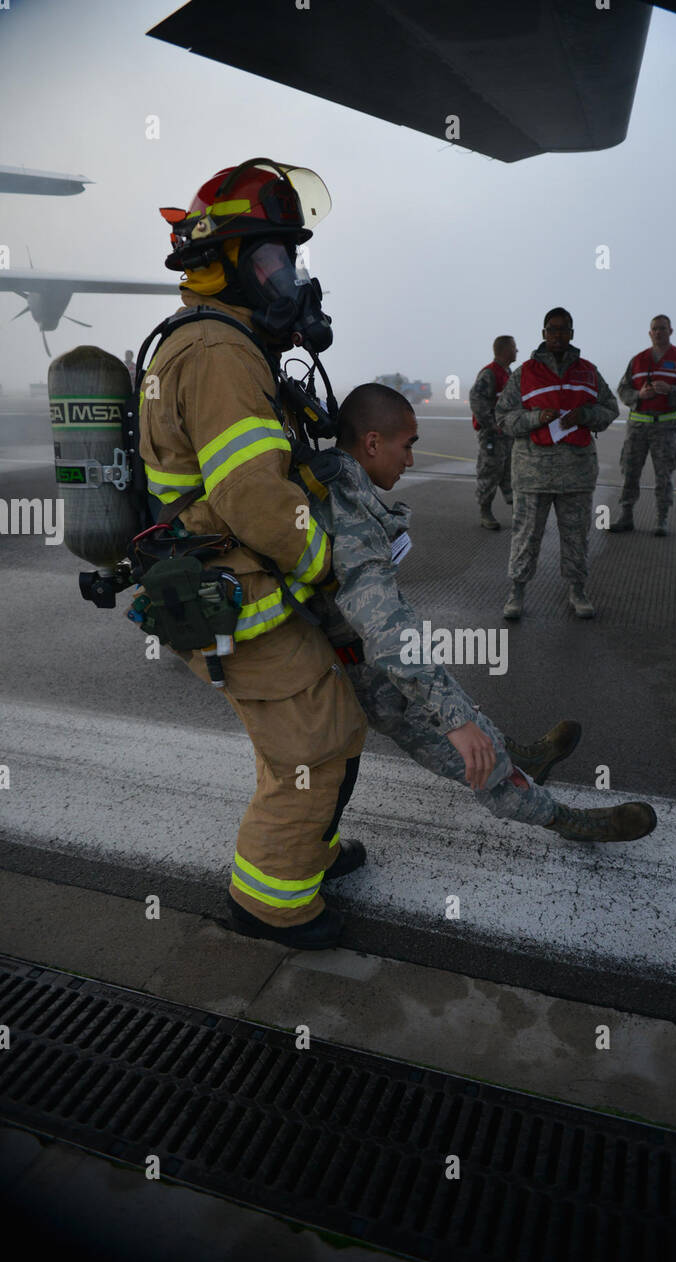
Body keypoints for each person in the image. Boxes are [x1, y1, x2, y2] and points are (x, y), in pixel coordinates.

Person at [140, 158, 368, 949]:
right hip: (242, 590)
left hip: (252, 585)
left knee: (323, 731)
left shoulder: (229, 343)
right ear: (223, 261)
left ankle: (309, 850)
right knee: (310, 746)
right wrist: (334, 568)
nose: (288, 277)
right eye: (272, 258)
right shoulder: (215, 353)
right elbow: (255, 500)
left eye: (290, 259)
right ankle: (271, 903)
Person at [299, 382, 658, 845]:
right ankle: (568, 821)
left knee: (446, 698)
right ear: (372, 442)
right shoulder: (348, 508)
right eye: (406, 447)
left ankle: (527, 758)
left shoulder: (335, 481)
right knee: (465, 748)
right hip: (352, 668)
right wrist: (458, 722)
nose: (409, 460)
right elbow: (385, 628)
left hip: (354, 656)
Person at [495, 308, 618, 619]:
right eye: (552, 329)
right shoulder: (524, 373)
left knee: (576, 536)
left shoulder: (588, 372)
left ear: (572, 334)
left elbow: (610, 408)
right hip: (532, 473)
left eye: (564, 330)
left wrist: (587, 415)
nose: (558, 335)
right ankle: (517, 592)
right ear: (543, 333)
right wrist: (537, 417)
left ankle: (577, 590)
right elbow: (502, 418)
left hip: (576, 472)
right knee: (525, 536)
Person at [610, 315, 676, 536]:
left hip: (665, 427)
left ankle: (662, 520)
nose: (658, 332)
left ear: (671, 331)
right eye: (654, 329)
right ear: (649, 333)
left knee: (664, 475)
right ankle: (626, 516)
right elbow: (622, 390)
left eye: (662, 328)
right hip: (637, 428)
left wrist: (671, 391)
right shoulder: (638, 360)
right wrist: (639, 395)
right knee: (629, 472)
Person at [469, 335, 517, 529]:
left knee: (511, 473)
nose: (517, 351)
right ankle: (485, 512)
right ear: (505, 350)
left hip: (508, 434)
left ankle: (518, 512)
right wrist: (492, 425)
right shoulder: (489, 374)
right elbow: (476, 400)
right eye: (514, 348)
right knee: (490, 472)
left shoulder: (509, 373)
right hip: (493, 435)